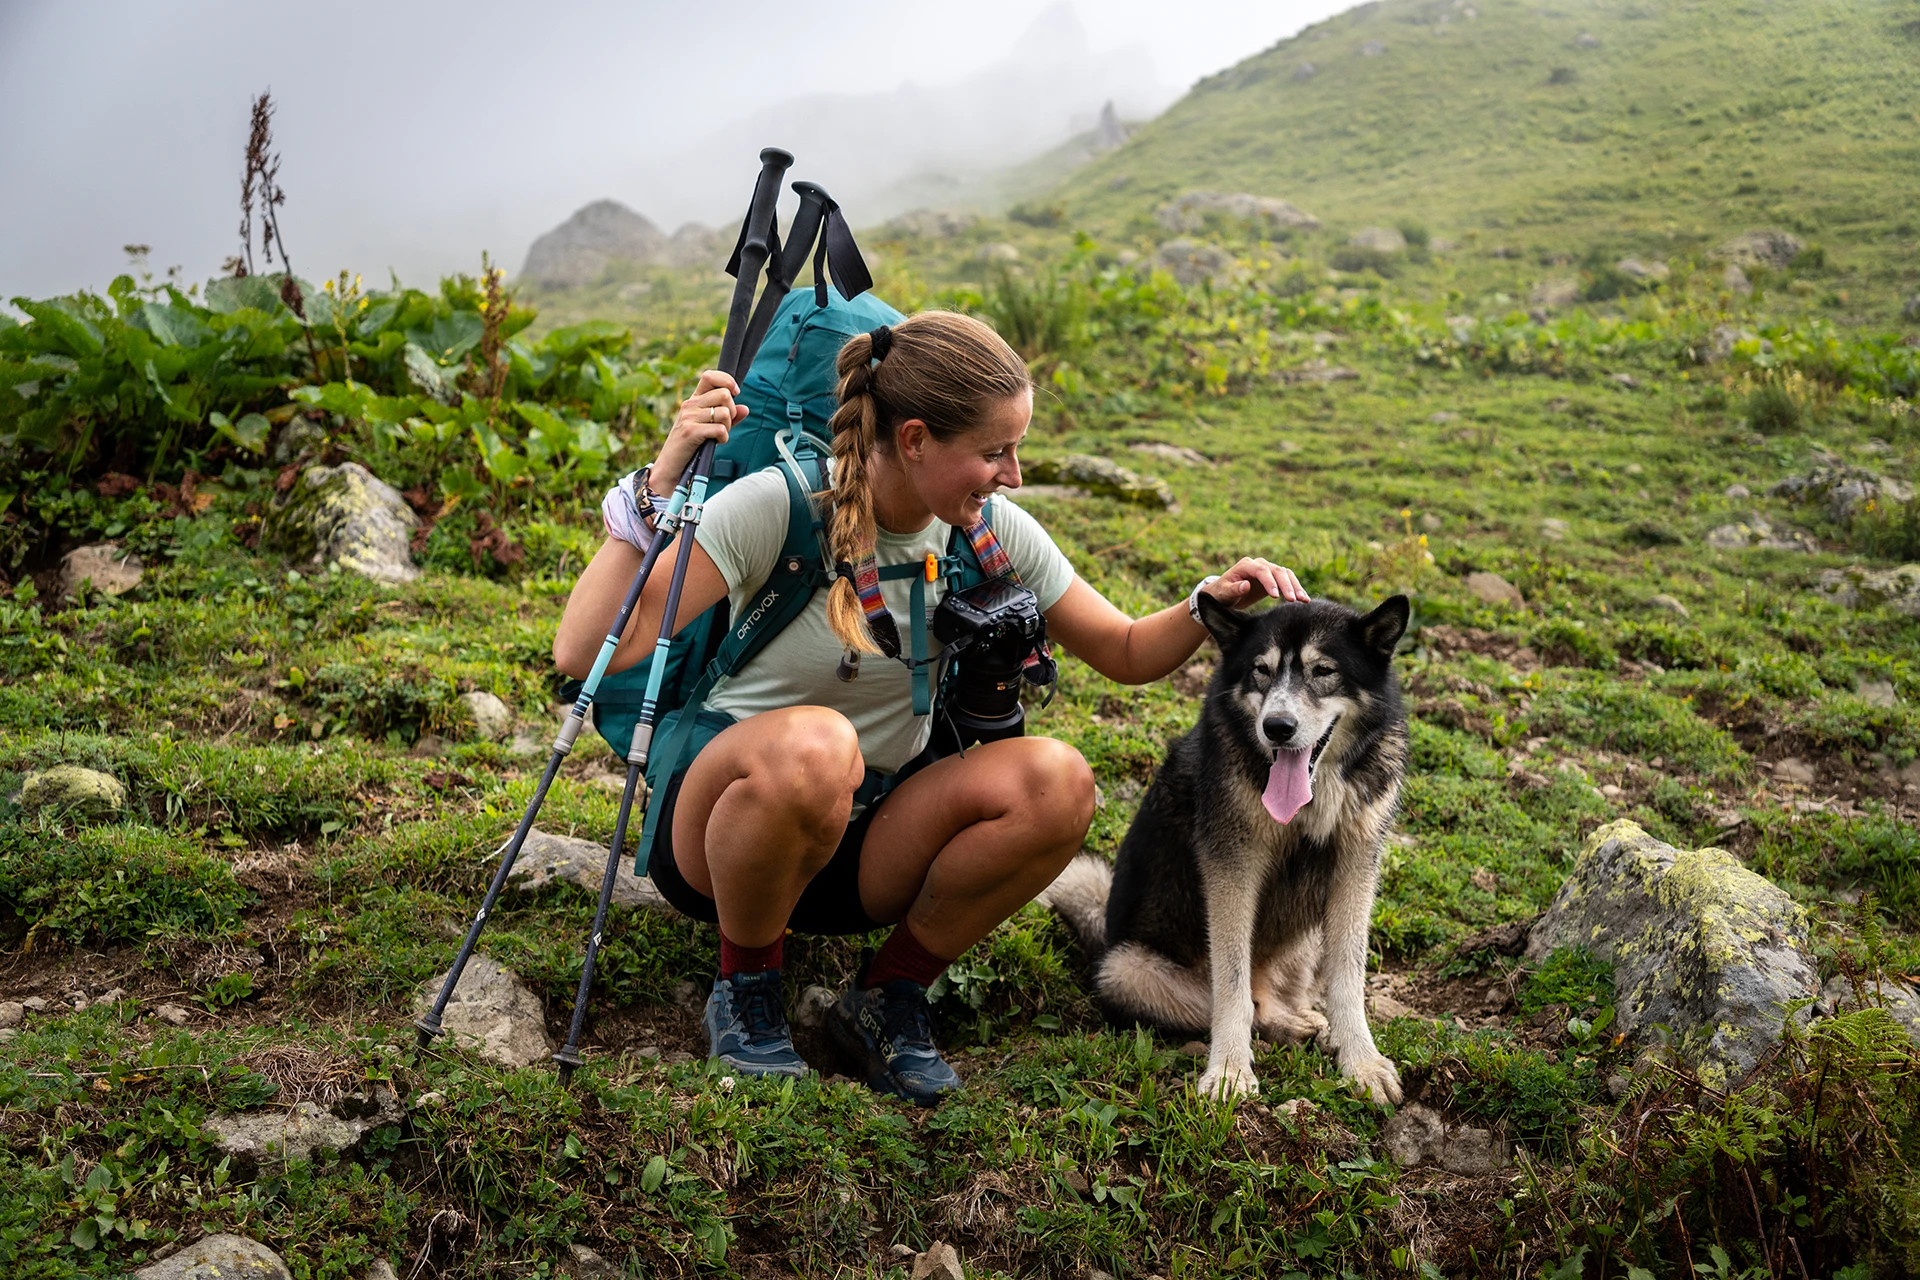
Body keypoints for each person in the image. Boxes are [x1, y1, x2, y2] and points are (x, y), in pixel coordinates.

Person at [553, 310, 1307, 1105]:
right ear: (914, 440)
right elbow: (584, 651)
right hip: (722, 834)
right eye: (993, 452)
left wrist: (1208, 602)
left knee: (1058, 780)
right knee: (819, 745)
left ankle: (886, 998)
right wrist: (653, 491)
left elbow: (1123, 650)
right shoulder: (780, 505)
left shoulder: (985, 532)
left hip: (865, 840)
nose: (1012, 473)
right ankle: (745, 990)